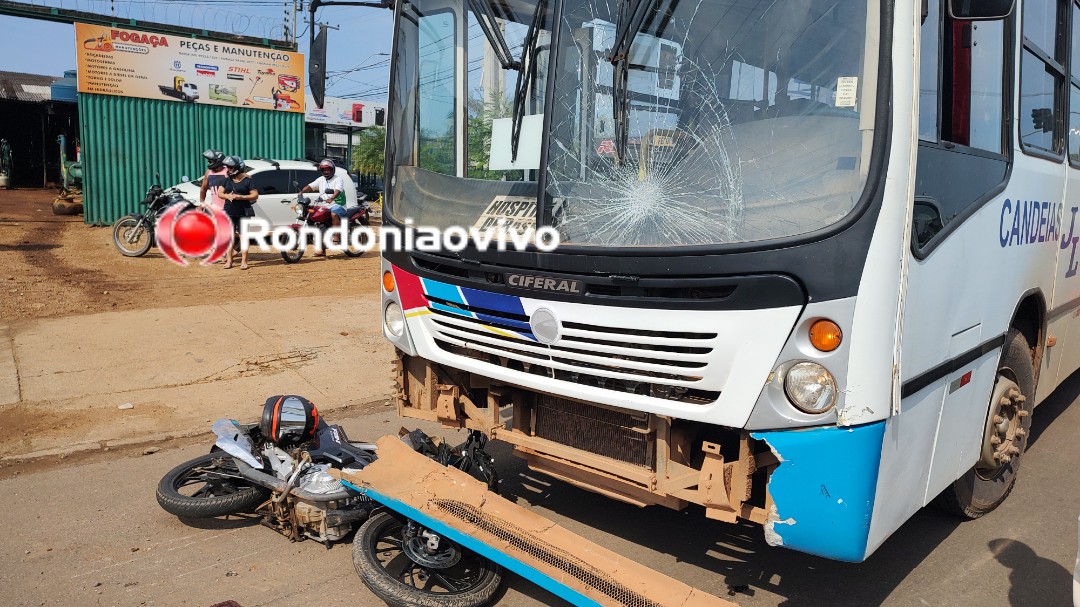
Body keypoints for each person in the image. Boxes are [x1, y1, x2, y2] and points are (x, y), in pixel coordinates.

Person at [217, 155, 258, 270]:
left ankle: (244, 261)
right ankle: (229, 260)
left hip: (243, 212)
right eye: (227, 167)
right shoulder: (226, 180)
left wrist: (242, 197)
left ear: (237, 167)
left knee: (243, 236)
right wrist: (227, 196)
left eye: (230, 167)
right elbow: (220, 193)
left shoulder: (247, 180)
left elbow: (255, 195)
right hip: (229, 211)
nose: (228, 169)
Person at [301, 159, 347, 256]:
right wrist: (301, 192)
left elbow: (338, 190)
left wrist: (332, 198)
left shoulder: (338, 179)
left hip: (338, 205)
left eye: (328, 170)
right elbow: (310, 186)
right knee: (312, 215)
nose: (326, 172)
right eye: (324, 170)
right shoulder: (320, 179)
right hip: (326, 206)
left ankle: (336, 235)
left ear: (332, 170)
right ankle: (321, 248)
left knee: (334, 213)